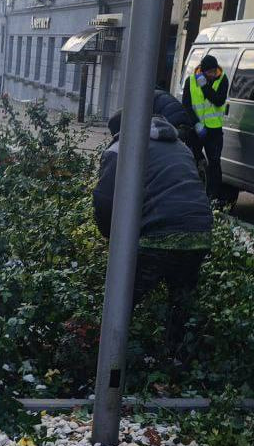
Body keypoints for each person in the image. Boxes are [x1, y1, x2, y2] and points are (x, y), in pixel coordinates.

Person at [93, 114, 213, 350]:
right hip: (199, 232)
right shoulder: (181, 146)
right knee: (181, 303)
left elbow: (105, 201)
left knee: (121, 303)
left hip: (159, 234)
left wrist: (111, 238)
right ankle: (178, 360)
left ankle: (106, 357)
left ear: (119, 132)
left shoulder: (121, 148)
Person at [182, 55, 229, 199]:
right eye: (209, 72)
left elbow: (219, 101)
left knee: (215, 163)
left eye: (214, 71)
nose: (213, 75)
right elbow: (187, 105)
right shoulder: (190, 81)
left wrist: (204, 86)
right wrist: (196, 123)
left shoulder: (222, 79)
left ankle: (213, 198)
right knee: (191, 159)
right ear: (203, 71)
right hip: (196, 129)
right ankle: (190, 193)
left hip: (214, 130)